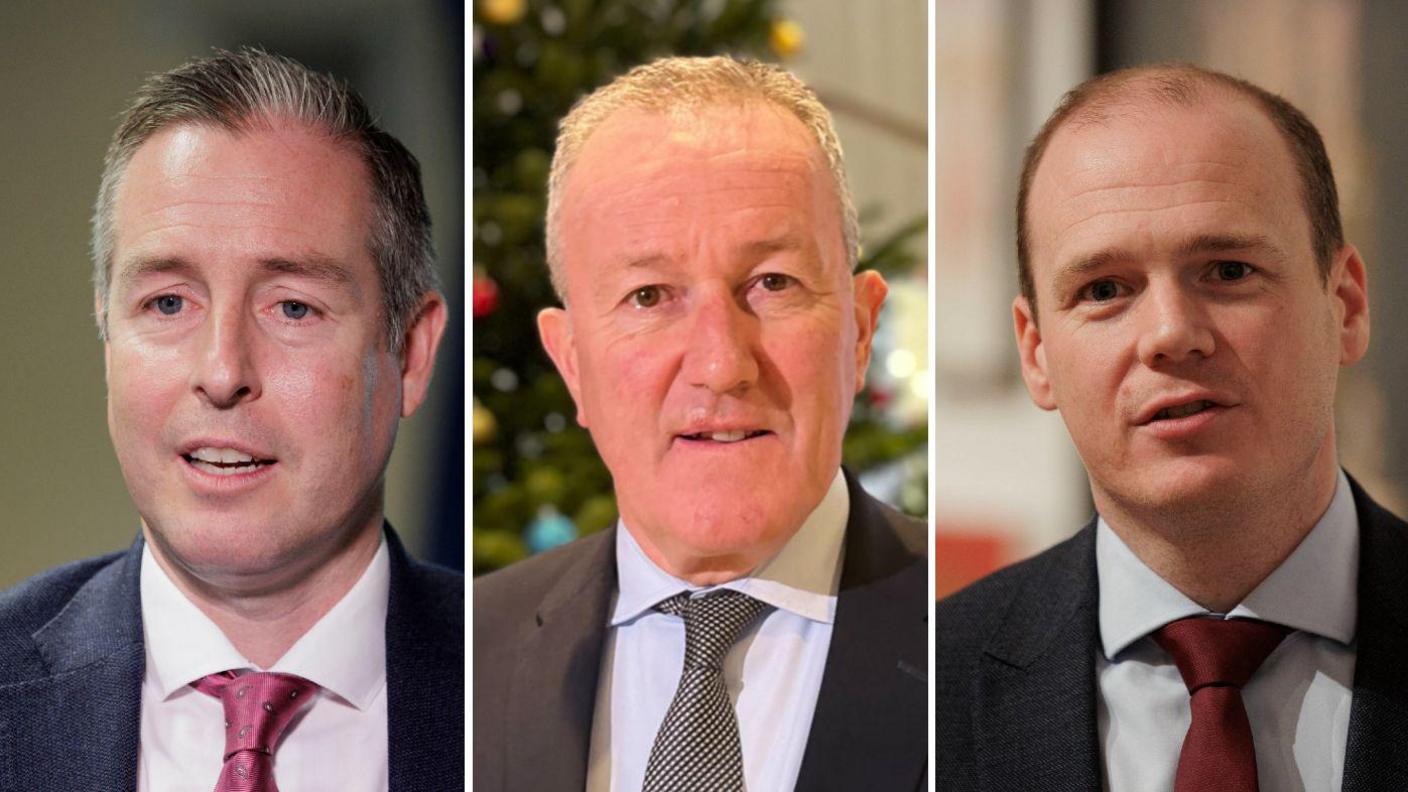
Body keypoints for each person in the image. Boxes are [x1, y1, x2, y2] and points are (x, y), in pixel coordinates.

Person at [934, 63, 1406, 791]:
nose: (1171, 334)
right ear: (1036, 354)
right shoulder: (927, 688)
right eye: (1104, 290)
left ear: (1344, 304)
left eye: (1227, 271)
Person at [0, 49, 459, 791]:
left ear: (409, 353)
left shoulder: (524, 685)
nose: (222, 373)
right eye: (169, 303)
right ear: (107, 334)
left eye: (293, 308)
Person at [473, 56, 927, 791]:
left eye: (773, 284)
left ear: (861, 330)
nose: (721, 364)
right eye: (650, 296)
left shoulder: (976, 635)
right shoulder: (464, 656)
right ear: (572, 363)